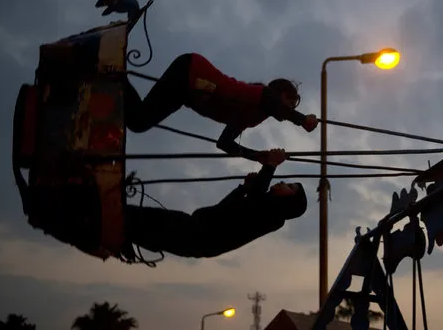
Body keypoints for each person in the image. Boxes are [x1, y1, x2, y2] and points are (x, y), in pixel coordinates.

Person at [124, 52, 319, 163]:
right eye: (290, 103)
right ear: (281, 94)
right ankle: (115, 75)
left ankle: (114, 79)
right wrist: (303, 121)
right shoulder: (263, 94)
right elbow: (280, 109)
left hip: (188, 87)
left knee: (138, 121)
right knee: (140, 120)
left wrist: (258, 156)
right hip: (192, 73)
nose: (288, 110)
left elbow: (225, 143)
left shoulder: (250, 114)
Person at [123, 148, 307, 258]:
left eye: (290, 186)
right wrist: (243, 189)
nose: (283, 182)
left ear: (291, 201)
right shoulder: (261, 205)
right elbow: (224, 208)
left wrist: (271, 165)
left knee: (129, 218)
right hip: (194, 229)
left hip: (196, 236)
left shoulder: (274, 218)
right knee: (132, 224)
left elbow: (257, 199)